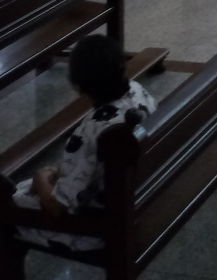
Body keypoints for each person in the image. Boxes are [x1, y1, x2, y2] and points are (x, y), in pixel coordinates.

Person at [9, 35, 156, 262]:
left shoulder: (94, 130)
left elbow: (58, 207)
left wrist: (41, 178)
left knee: (7, 210)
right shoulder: (137, 93)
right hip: (140, 195)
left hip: (99, 229)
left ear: (78, 87)